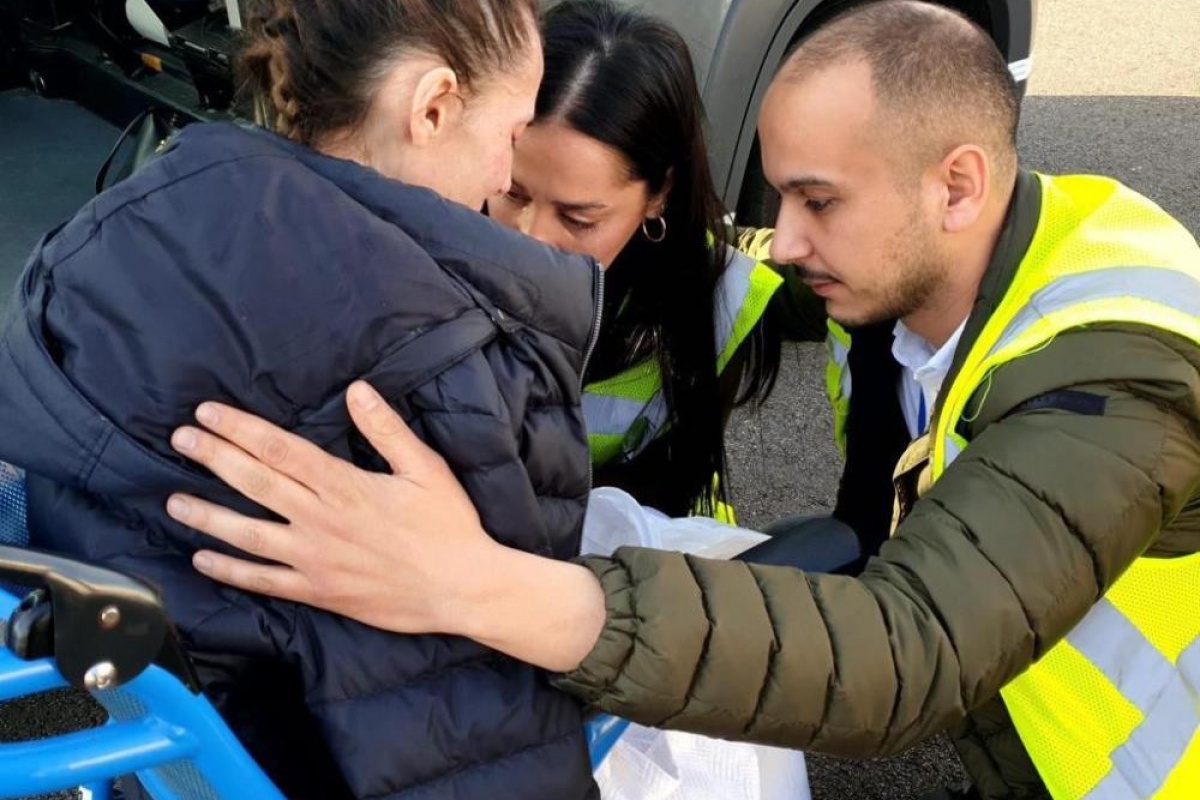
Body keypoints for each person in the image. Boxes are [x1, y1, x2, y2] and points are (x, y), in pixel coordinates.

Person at [163, 3, 1200, 800]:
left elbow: (909, 644)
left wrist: (477, 585)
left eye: (818, 201)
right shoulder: (910, 278)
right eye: (508, 188)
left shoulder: (1107, 375)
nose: (784, 240)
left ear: (958, 186)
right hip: (1027, 735)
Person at [0, 1, 605, 798]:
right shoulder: (446, 367)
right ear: (432, 107)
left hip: (164, 746)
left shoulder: (101, 245)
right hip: (290, 756)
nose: (505, 180)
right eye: (512, 133)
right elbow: (474, 720)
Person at [490, 0, 781, 520]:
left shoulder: (717, 307)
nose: (530, 238)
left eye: (578, 219)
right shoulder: (431, 235)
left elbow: (661, 508)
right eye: (512, 193)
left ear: (659, 194)